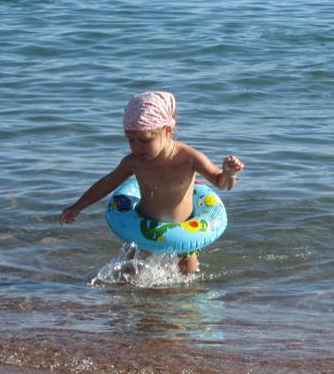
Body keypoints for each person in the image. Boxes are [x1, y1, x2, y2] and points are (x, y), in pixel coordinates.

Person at [60, 91, 243, 274]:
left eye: (145, 140)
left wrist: (228, 174)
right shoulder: (134, 162)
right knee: (129, 278)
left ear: (167, 131)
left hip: (183, 235)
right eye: (131, 140)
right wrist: (78, 206)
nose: (137, 147)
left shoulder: (189, 159)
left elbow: (222, 184)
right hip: (143, 229)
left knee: (188, 285)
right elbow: (107, 183)